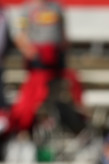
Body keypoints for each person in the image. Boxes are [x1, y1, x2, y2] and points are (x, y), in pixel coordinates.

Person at [10, 0, 84, 134]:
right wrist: (28, 50)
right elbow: (18, 33)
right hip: (38, 62)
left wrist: (62, 50)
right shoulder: (26, 9)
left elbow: (63, 33)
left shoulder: (57, 7)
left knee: (69, 85)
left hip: (56, 61)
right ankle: (25, 125)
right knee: (35, 93)